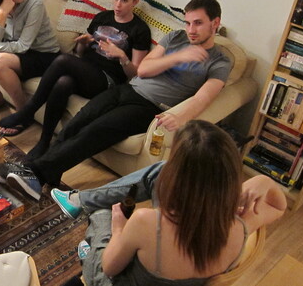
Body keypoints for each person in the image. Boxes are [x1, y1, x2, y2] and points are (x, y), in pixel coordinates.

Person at [0, 0, 231, 201]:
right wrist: (179, 57)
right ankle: (45, 174)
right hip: (127, 89)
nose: (191, 29)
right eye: (188, 22)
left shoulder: (220, 61)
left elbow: (204, 98)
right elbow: (144, 69)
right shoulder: (176, 38)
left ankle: (34, 175)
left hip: (150, 106)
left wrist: (180, 116)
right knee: (78, 122)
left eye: (198, 23)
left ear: (215, 23)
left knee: (95, 131)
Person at [51, 120, 287, 286]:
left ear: (177, 173)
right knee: (154, 175)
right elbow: (279, 206)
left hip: (111, 280)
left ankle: (90, 253)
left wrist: (120, 228)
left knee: (102, 214)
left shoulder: (147, 223)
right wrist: (264, 180)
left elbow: (111, 269)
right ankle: (90, 238)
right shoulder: (240, 227)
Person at [0, 0, 151, 156]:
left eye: (124, 1)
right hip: (86, 71)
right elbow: (80, 54)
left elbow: (135, 74)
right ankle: (44, 142)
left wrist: (122, 56)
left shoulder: (139, 30)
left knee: (63, 60)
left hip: (107, 80)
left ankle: (28, 111)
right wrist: (83, 44)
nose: (117, 5)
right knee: (63, 83)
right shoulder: (102, 17)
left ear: (136, 2)